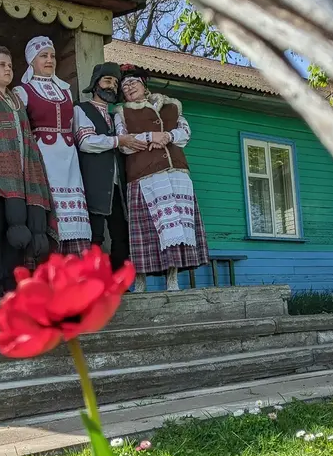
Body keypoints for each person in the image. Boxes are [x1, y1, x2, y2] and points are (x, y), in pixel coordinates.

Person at [0, 45, 58, 298]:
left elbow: (25, 138)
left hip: (21, 177)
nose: (8, 69)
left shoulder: (17, 101)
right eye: (1, 65)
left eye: (10, 65)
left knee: (17, 235)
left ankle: (15, 284)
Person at [114, 64, 209, 292]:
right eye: (124, 86)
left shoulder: (171, 105)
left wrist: (167, 135)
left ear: (144, 84)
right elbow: (124, 141)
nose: (128, 88)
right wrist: (150, 137)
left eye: (132, 82)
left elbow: (185, 134)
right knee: (146, 231)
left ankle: (172, 278)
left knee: (175, 229)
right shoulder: (122, 112)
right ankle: (140, 281)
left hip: (177, 175)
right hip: (144, 177)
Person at [13, 36, 92, 256]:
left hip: (68, 157)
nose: (50, 60)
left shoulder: (65, 90)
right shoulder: (23, 91)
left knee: (73, 210)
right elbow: (19, 129)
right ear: (32, 60)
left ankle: (76, 268)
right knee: (51, 206)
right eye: (43, 56)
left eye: (52, 56)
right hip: (43, 157)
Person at [73, 61, 145, 272]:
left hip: (117, 184)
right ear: (95, 84)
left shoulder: (117, 116)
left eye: (115, 82)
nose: (111, 86)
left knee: (122, 234)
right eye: (107, 80)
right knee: (94, 235)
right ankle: (91, 282)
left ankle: (119, 283)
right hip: (93, 182)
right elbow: (86, 142)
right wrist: (118, 141)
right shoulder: (81, 109)